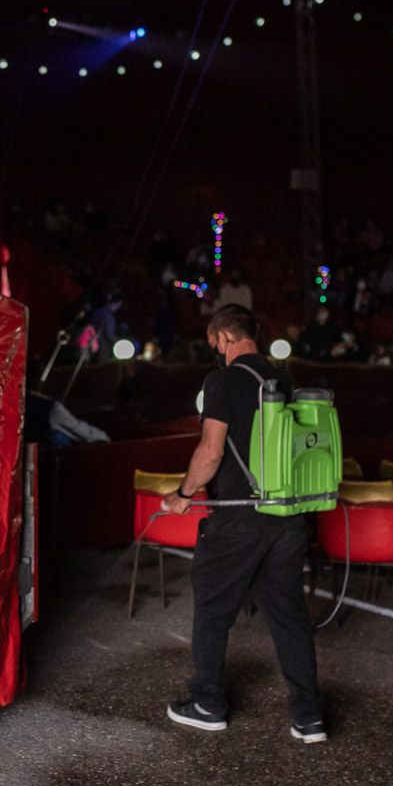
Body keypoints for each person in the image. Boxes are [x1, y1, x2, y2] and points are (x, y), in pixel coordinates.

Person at [160, 304, 326, 743]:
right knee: (288, 615)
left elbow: (210, 452)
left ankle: (208, 703)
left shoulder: (221, 381)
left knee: (213, 609)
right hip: (287, 516)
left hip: (238, 518)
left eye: (215, 343)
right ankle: (308, 718)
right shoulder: (284, 379)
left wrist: (183, 495)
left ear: (222, 338)